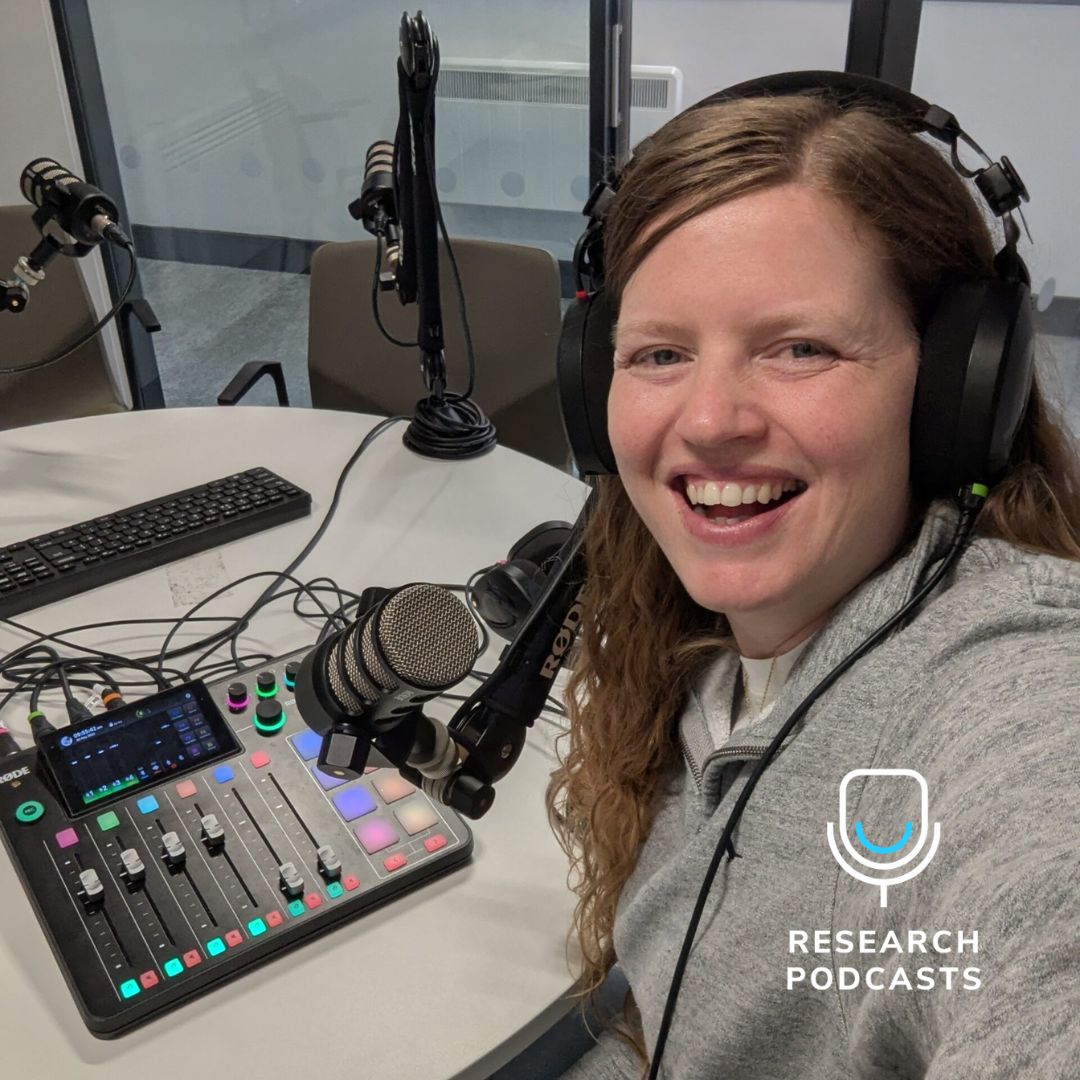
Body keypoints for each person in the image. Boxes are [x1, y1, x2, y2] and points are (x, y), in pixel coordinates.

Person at [546, 86, 1080, 1079]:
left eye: (801, 348)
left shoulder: (1015, 695)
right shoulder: (697, 645)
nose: (709, 422)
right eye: (660, 353)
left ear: (958, 389)